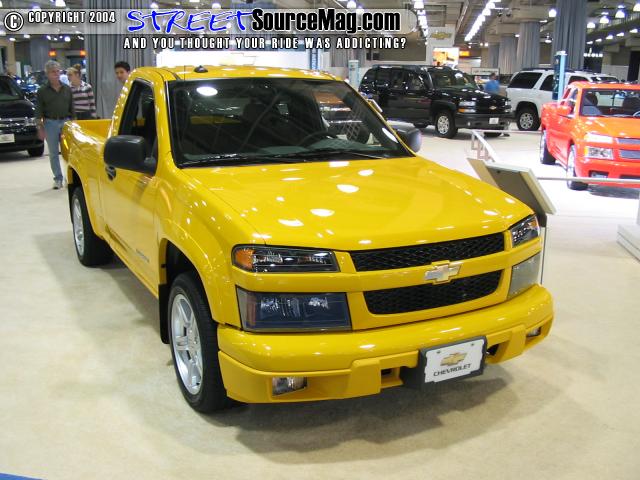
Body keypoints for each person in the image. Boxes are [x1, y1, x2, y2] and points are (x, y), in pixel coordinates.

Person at [35, 60, 74, 190]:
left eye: (58, 71)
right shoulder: (42, 91)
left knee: (68, 151)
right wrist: (40, 127)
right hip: (50, 123)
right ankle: (58, 178)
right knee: (53, 153)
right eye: (53, 72)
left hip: (66, 122)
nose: (56, 74)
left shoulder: (67, 89)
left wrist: (74, 123)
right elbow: (38, 110)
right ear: (47, 74)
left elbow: (72, 107)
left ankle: (70, 178)